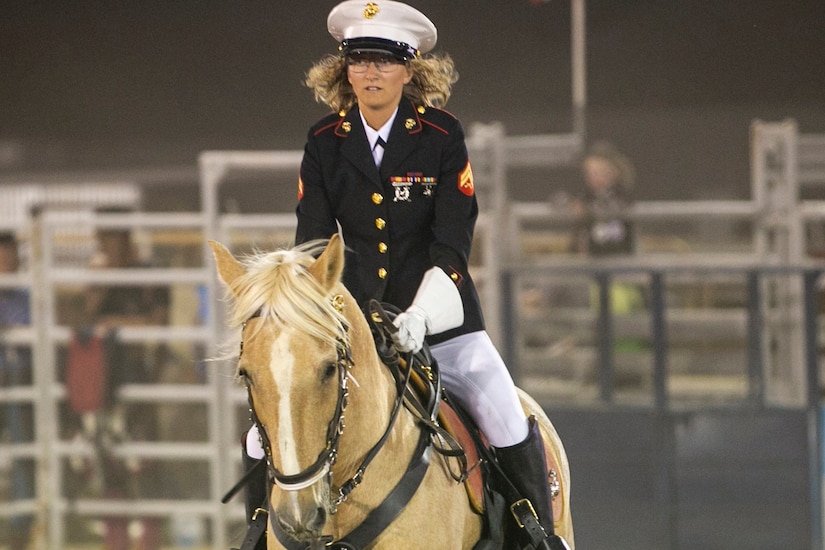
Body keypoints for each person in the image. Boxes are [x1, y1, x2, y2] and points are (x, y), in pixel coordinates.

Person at [242, 2, 569, 549]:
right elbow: (315, 245)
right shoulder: (324, 143)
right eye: (360, 60)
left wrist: (421, 314)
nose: (370, 72)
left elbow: (453, 243)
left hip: (440, 322)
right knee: (261, 433)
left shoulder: (441, 137)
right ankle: (258, 529)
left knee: (507, 415)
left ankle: (535, 532)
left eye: (384, 61)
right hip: (354, 328)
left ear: (409, 69)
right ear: (345, 69)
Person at [74, 220, 169, 550]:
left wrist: (115, 325)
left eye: (108, 239)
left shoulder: (147, 273)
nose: (104, 247)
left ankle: (149, 541)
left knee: (144, 461)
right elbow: (86, 319)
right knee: (108, 462)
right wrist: (99, 282)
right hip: (105, 385)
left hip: (141, 379)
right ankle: (116, 542)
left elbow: (158, 323)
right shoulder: (101, 277)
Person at [0, 231, 35, 548]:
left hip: (19, 379)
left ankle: (20, 527)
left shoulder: (25, 296)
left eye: (10, 256)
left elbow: (34, 333)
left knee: (23, 451)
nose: (6, 263)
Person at [569, 141, 636, 257]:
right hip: (590, 260)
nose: (596, 178)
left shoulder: (623, 197)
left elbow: (619, 233)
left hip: (618, 257)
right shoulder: (585, 197)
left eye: (602, 172)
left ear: (615, 172)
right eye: (591, 174)